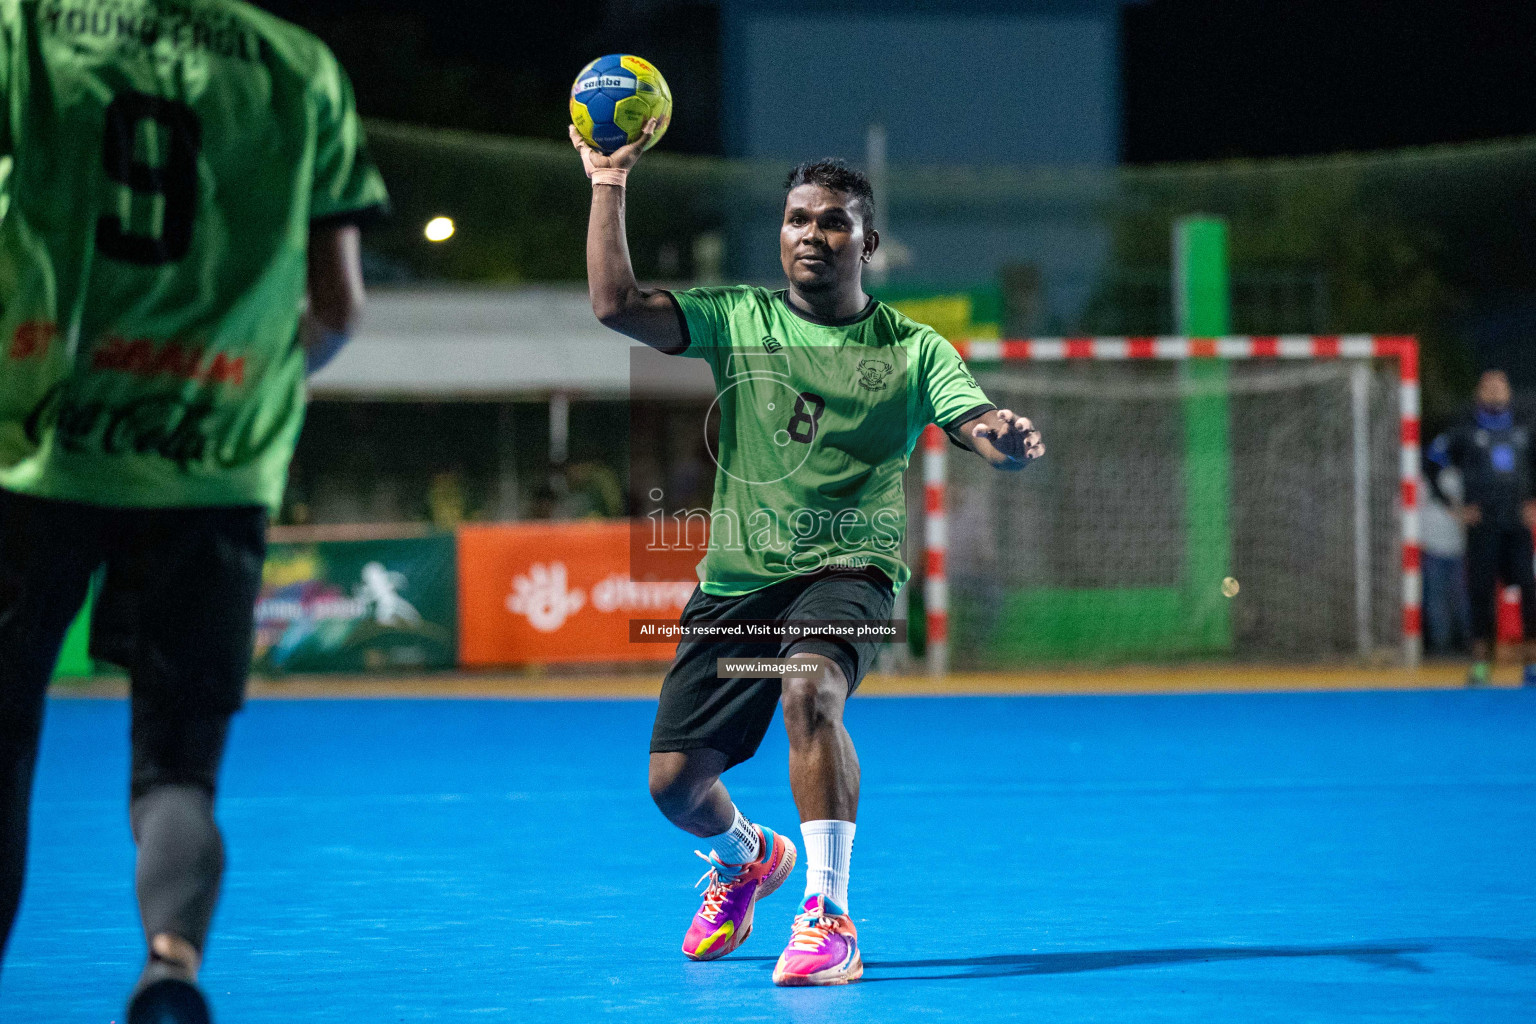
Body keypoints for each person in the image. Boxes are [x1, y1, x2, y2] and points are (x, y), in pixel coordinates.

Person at [572, 121, 1043, 986]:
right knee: (674, 786)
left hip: (849, 568)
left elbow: (968, 415)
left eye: (832, 222)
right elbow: (614, 305)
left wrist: (996, 433)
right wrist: (608, 180)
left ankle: (828, 917)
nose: (811, 235)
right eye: (796, 219)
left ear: (866, 241)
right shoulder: (740, 319)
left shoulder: (910, 347)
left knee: (808, 688)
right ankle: (749, 858)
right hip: (737, 584)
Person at [0, 2, 387, 1020]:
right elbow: (342, 307)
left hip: (37, 448)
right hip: (213, 468)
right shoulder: (302, 63)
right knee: (177, 769)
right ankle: (170, 963)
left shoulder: (30, 28)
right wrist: (239, 394)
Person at [1426, 370, 1536, 686]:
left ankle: (1531, 662)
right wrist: (1452, 506)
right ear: (1478, 394)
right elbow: (1431, 463)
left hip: (1516, 524)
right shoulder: (1463, 433)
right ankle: (1480, 663)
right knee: (1481, 593)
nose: (1494, 392)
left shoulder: (1524, 432)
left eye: (1500, 386)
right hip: (1482, 525)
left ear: (1509, 393)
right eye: (1488, 387)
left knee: (1529, 589)